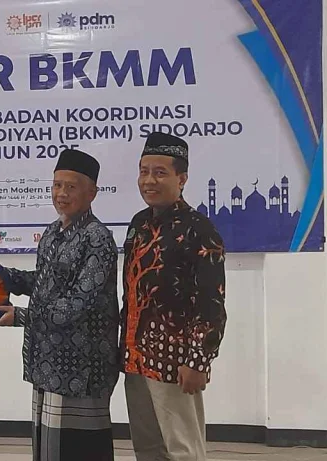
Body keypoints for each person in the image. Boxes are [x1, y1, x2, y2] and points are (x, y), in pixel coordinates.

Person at [0, 148, 120, 461]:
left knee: (79, 451)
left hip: (82, 368)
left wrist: (20, 316)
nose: (61, 193)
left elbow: (78, 304)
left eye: (71, 187)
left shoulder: (97, 238)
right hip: (48, 364)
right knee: (50, 450)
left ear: (92, 193)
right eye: (57, 185)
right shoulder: (52, 233)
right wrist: (2, 276)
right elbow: (44, 283)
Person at [121, 132, 227, 461]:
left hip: (175, 362)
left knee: (183, 451)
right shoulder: (139, 224)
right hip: (136, 359)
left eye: (159, 172)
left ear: (182, 178)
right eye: (143, 171)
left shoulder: (199, 229)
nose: (148, 180)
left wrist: (198, 361)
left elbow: (212, 303)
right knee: (148, 449)